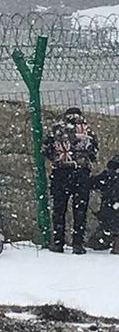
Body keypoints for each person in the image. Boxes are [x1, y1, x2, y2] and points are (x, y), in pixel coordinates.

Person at [42, 107, 98, 255]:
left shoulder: (56, 129)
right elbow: (93, 153)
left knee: (59, 209)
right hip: (81, 173)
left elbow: (46, 150)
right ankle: (77, 243)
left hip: (61, 173)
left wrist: (58, 158)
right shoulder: (87, 130)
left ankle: (58, 242)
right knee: (80, 210)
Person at [88, 152, 119, 254]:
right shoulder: (108, 176)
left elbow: (91, 183)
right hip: (109, 213)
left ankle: (112, 241)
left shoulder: (107, 175)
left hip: (107, 216)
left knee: (96, 243)